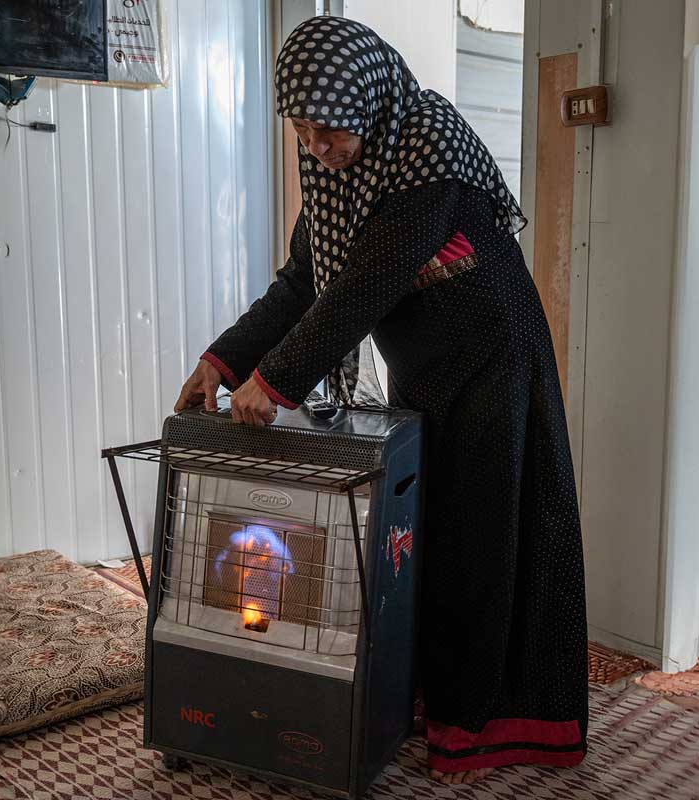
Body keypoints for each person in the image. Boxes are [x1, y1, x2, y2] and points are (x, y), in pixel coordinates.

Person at [174, 15, 587, 785]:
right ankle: (430, 695)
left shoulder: (427, 147)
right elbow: (303, 285)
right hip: (428, 368)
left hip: (493, 358)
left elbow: (363, 288)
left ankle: (485, 722)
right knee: (421, 536)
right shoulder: (338, 170)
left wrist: (276, 383)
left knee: (481, 535)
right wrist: (223, 363)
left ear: (365, 104)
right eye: (303, 130)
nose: (317, 148)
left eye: (329, 131)